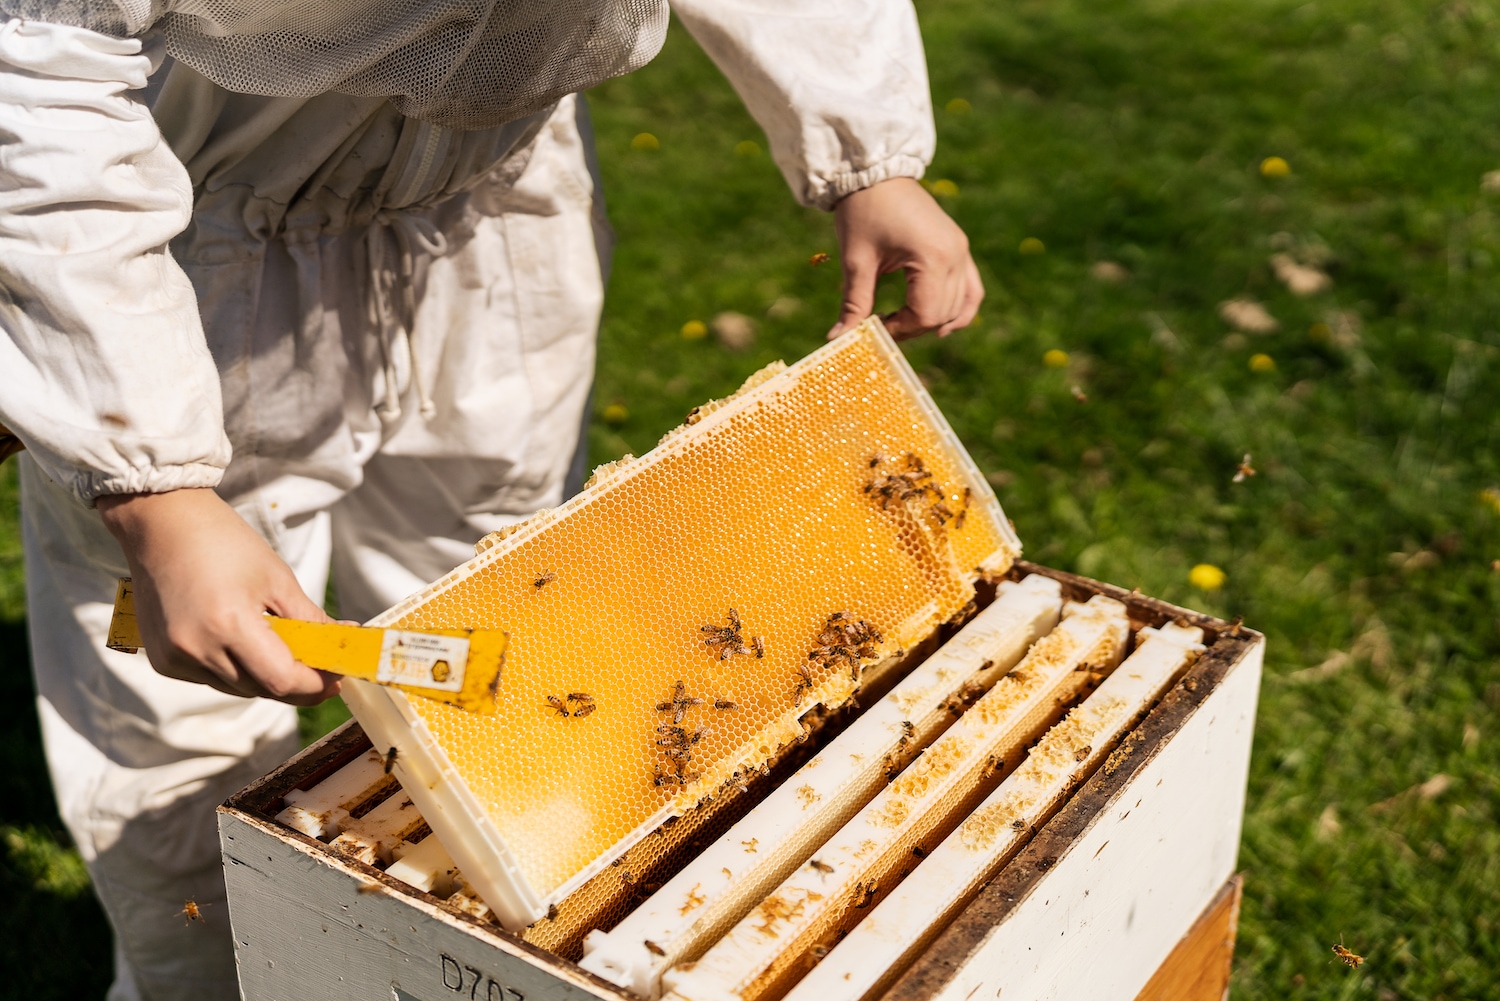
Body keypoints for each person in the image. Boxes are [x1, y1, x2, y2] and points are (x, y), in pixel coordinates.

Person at [0, 1, 983, 997]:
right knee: (189, 677)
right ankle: (214, 979)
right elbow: (33, 55)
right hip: (178, 229)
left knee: (500, 618)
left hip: (496, 192)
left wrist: (870, 148)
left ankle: (442, 966)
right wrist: (153, 489)